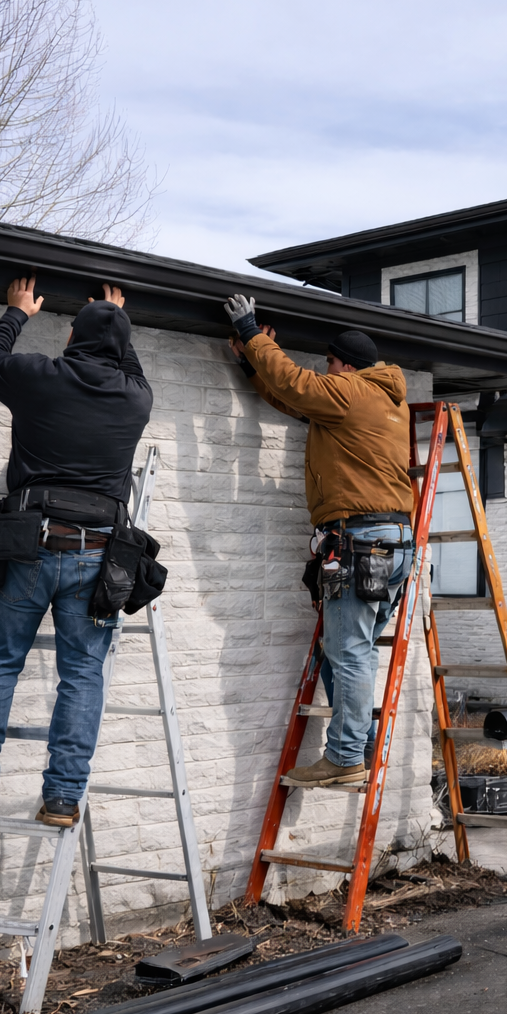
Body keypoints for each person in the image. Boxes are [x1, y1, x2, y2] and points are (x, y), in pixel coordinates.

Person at [0, 277, 153, 827]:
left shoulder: (41, 376)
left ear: (70, 337)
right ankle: (61, 800)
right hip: (97, 556)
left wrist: (16, 313)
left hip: (27, 547)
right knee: (83, 676)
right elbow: (128, 365)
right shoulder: (136, 399)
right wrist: (114, 318)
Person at [224, 295, 413, 787]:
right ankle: (359, 746)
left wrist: (251, 331)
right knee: (353, 650)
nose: (324, 370)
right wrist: (251, 365)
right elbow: (295, 399)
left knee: (347, 652)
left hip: (362, 540)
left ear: (344, 364)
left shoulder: (349, 390)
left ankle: (346, 755)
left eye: (328, 363)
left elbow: (297, 382)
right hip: (392, 543)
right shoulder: (383, 399)